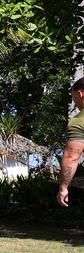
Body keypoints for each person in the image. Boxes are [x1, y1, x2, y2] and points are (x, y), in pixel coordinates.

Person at [56, 77, 84, 207]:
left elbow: (71, 158)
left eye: (73, 98)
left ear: (80, 94)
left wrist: (63, 187)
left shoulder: (79, 121)